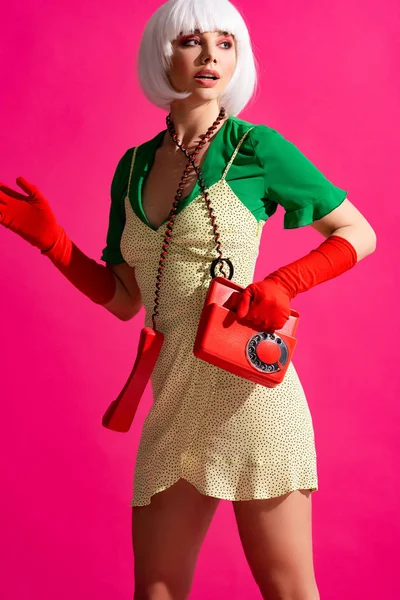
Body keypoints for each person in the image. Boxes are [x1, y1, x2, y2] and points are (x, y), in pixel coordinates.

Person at [0, 0, 376, 599]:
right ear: (162, 54)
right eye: (191, 41)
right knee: (156, 590)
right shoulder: (131, 168)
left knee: (288, 590)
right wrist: (53, 243)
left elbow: (360, 233)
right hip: (172, 400)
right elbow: (126, 300)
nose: (209, 56)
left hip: (250, 400)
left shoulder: (253, 148)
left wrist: (282, 284)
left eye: (225, 43)